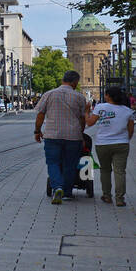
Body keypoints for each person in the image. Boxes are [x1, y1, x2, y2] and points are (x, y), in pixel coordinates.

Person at [34, 70, 89, 205]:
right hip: (73, 137)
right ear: (74, 82)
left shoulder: (49, 94)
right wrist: (81, 133)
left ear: (63, 80)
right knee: (70, 165)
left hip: (52, 135)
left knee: (53, 163)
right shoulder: (79, 97)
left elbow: (40, 114)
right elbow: (83, 119)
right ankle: (67, 193)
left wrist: (37, 131)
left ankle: (57, 187)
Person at [87, 85, 134, 206]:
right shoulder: (128, 111)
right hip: (121, 144)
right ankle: (120, 199)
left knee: (105, 170)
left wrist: (86, 111)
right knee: (120, 172)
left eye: (106, 94)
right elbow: (131, 130)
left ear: (108, 96)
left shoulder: (100, 107)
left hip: (103, 144)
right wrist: (124, 139)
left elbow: (90, 123)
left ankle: (107, 196)